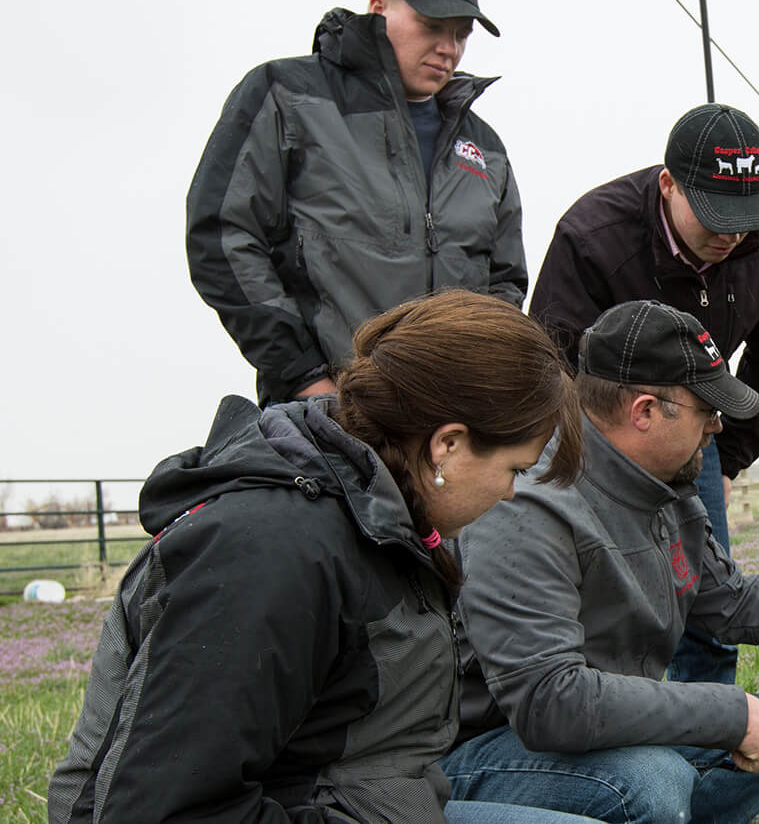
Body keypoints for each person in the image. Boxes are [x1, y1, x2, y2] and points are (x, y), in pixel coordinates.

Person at [48, 290, 593, 824]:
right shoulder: (272, 554)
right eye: (514, 470)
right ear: (446, 444)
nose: (509, 494)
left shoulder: (381, 518)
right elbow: (165, 806)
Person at [443, 300, 759, 824]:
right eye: (706, 409)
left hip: (591, 727)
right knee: (649, 781)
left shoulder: (668, 491)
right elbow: (549, 702)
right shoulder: (528, 504)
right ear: (644, 411)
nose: (717, 427)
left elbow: (733, 605)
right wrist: (729, 713)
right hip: (482, 748)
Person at [527, 102, 759, 686]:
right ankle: (614, 722)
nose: (731, 234)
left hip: (694, 427)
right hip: (591, 440)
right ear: (668, 184)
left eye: (745, 215)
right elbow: (550, 365)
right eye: (713, 214)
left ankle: (705, 736)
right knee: (603, 593)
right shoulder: (593, 237)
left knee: (706, 607)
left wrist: (727, 458)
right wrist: (583, 466)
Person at [187, 0, 529, 406]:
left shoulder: (485, 148)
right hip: (329, 415)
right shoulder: (287, 97)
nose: (448, 48)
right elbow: (222, 237)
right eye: (431, 26)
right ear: (377, 8)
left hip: (448, 425)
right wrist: (305, 377)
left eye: (461, 33)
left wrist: (478, 383)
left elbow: (505, 284)